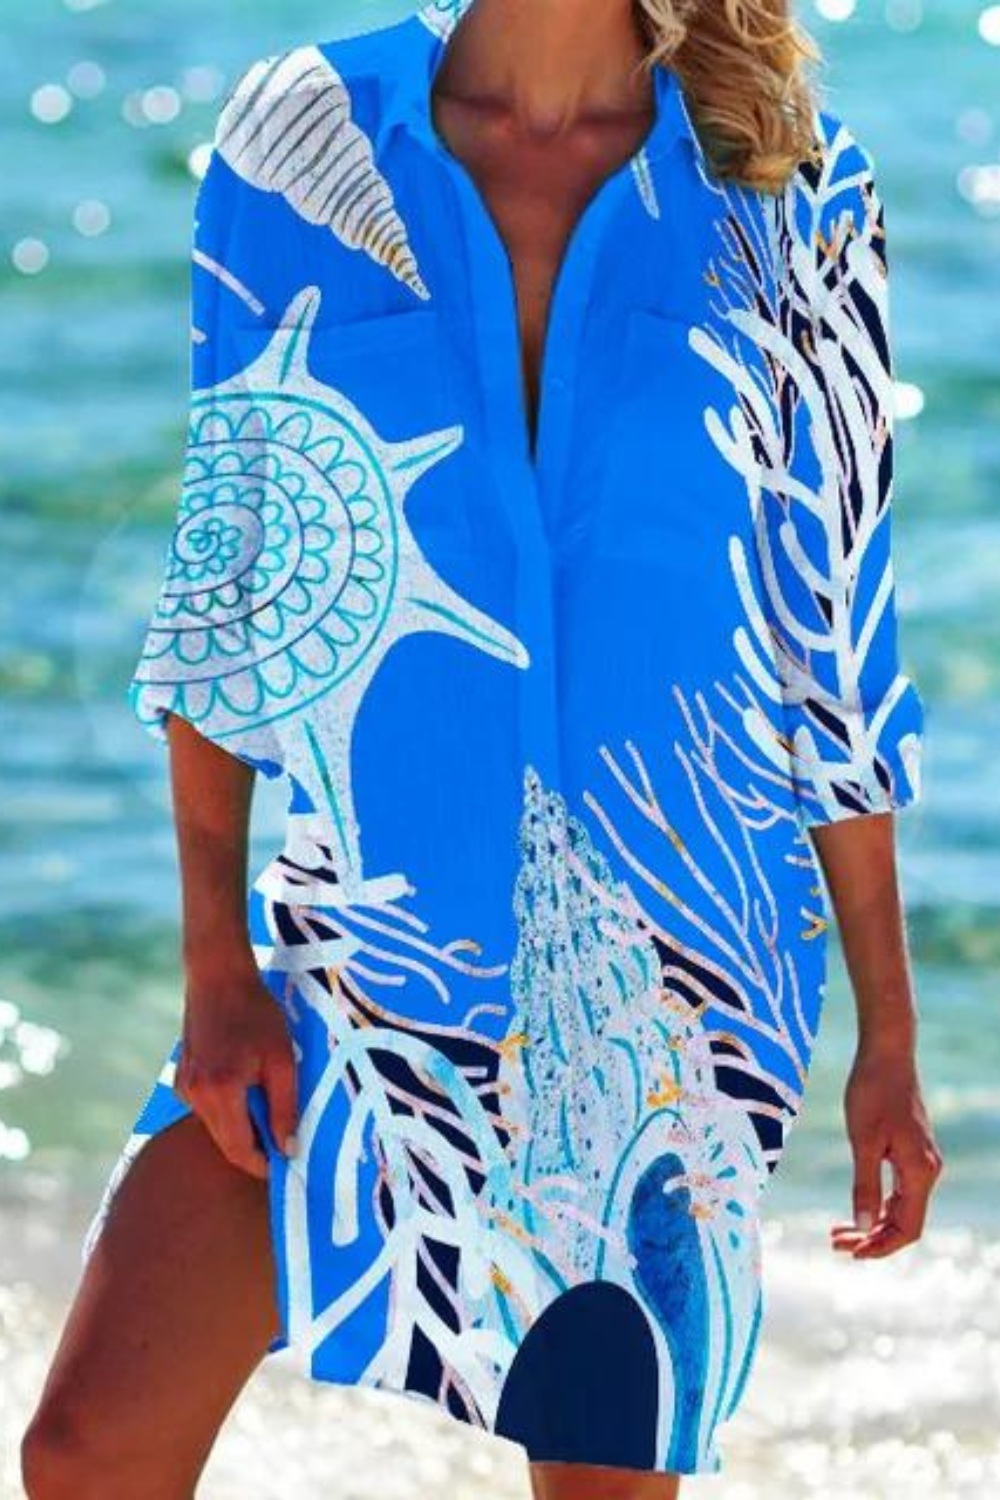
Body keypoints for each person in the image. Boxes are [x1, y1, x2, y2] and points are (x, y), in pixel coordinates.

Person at [22, 0, 944, 1495]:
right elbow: (227, 582)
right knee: (87, 1451)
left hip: (666, 1008)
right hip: (362, 952)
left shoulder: (787, 179)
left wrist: (889, 1034)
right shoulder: (300, 138)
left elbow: (834, 636)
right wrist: (212, 963)